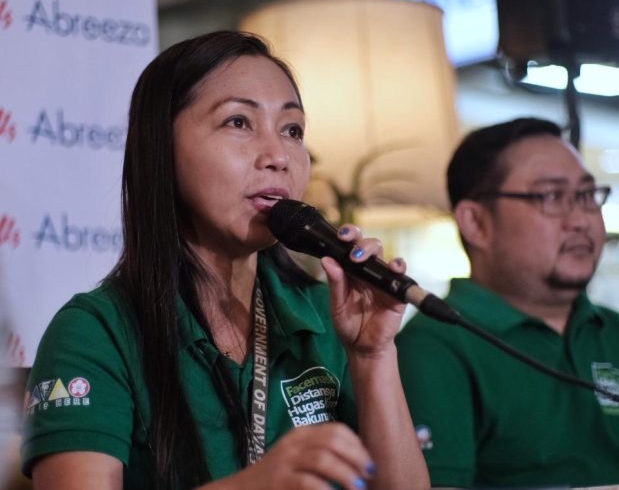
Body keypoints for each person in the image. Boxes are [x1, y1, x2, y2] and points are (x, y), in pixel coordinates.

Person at [21, 31, 429, 490]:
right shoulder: (94, 331)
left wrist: (373, 355)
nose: (278, 156)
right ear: (161, 147)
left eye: (292, 130)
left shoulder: (326, 313)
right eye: (239, 122)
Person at [396, 117, 619, 488]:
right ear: (476, 223)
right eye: (552, 197)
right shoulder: (434, 343)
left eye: (587, 196)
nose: (581, 220)